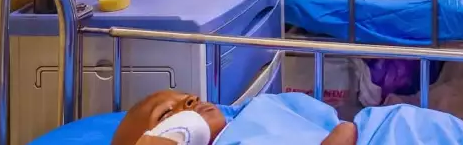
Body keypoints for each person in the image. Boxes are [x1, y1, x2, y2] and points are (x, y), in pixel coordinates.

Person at [111, 90, 358, 145]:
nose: (191, 100)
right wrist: (343, 134)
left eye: (188, 97)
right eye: (165, 113)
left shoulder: (257, 108)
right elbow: (345, 131)